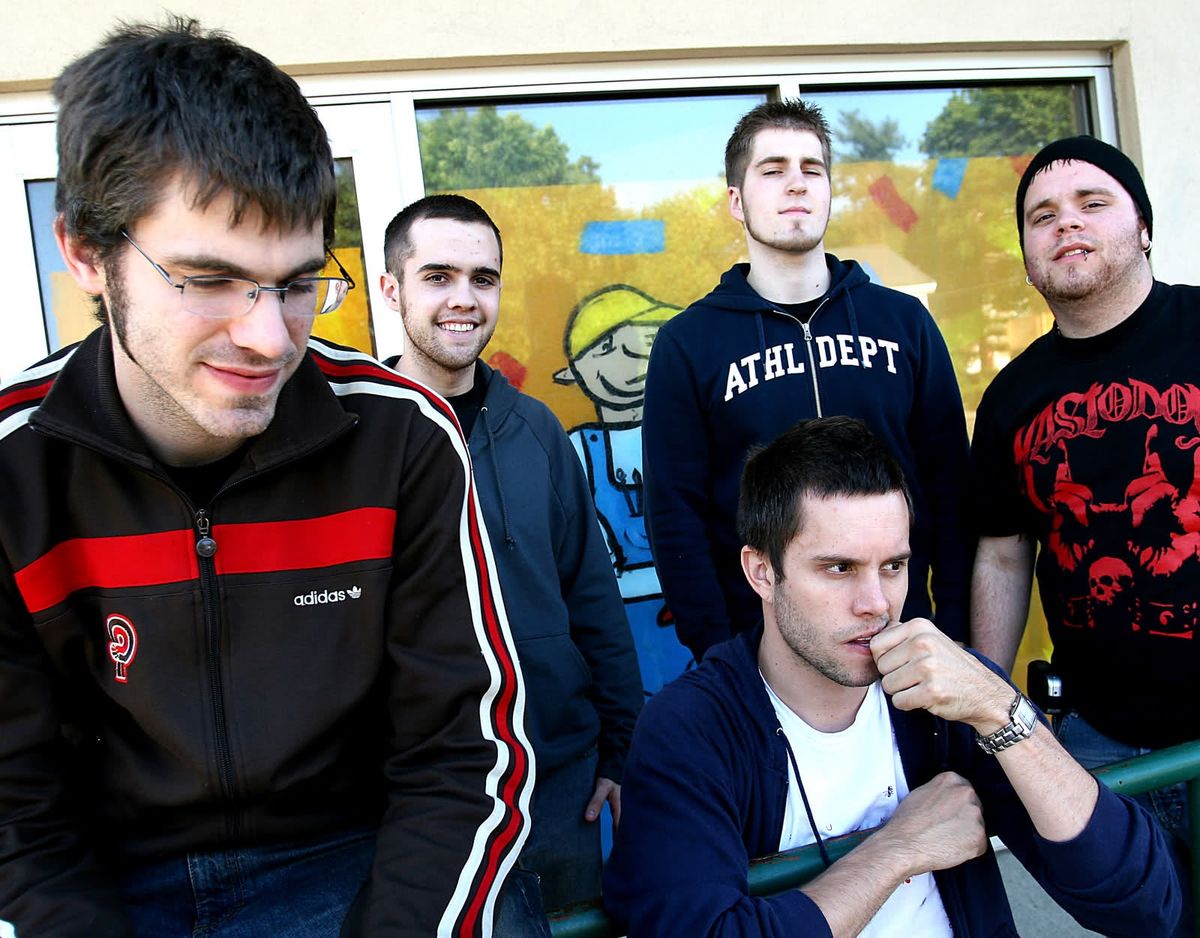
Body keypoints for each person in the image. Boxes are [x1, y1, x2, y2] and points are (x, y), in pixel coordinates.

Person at [0, 20, 531, 938]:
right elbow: (14, 815)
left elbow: (464, 756)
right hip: (106, 883)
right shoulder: (14, 469)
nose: (267, 338)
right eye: (209, 279)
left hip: (360, 862)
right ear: (86, 253)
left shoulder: (399, 436)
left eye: (295, 283)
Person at [603, 416, 1181, 937]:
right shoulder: (691, 728)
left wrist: (1001, 710)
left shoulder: (946, 695)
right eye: (839, 568)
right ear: (762, 572)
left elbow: (1143, 903)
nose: (876, 603)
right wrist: (896, 850)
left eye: (894, 566)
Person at [381, 195, 643, 923]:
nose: (464, 299)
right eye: (438, 277)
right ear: (392, 290)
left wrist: (621, 751)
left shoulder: (538, 431)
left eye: (483, 279)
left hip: (557, 782)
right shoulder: (359, 435)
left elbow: (593, 597)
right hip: (417, 797)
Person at [642, 98, 972, 663]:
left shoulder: (903, 322)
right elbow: (675, 515)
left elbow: (950, 487)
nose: (796, 183)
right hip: (762, 652)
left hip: (901, 641)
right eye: (773, 170)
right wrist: (720, 652)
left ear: (829, 192)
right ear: (736, 200)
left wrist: (953, 627)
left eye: (811, 169)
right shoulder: (689, 343)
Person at [970, 134, 1199, 930]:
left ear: (1144, 227)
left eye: (1092, 203)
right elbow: (1003, 556)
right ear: (1028, 257)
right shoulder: (1012, 397)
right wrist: (988, 703)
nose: (1066, 222)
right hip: (1102, 744)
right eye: (1042, 215)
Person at [552, 285, 693, 693]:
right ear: (575, 371)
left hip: (690, 606)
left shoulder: (690, 436)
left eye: (648, 338)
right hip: (616, 616)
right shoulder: (576, 450)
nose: (631, 358)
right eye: (607, 347)